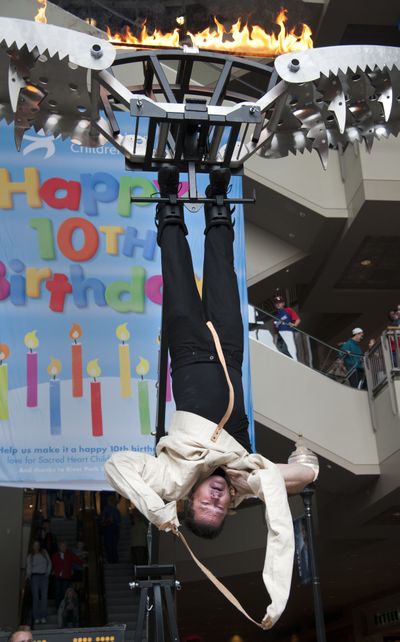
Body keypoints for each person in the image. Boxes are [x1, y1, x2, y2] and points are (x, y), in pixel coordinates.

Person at [105, 166, 317, 630]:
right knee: (222, 267)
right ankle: (219, 197)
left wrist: (157, 510)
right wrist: (304, 461)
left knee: (177, 267)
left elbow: (116, 466)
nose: (217, 500)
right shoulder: (244, 479)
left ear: (189, 500)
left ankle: (168, 195)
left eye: (206, 505)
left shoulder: (170, 478)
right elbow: (300, 476)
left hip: (186, 349)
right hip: (229, 350)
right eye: (220, 510)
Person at [26, 540, 51, 624]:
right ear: (33, 546)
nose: (36, 546)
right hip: (35, 577)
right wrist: (28, 576)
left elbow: (49, 563)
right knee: (36, 597)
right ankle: (36, 617)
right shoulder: (31, 556)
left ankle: (43, 616)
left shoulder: (44, 552)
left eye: (38, 545)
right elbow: (29, 567)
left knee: (44, 596)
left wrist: (48, 572)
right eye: (35, 545)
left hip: (44, 576)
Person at [51, 541, 82, 608]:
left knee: (64, 593)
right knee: (57, 592)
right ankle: (58, 607)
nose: (63, 547)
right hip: (57, 576)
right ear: (59, 547)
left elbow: (78, 560)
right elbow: (53, 564)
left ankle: (63, 607)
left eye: (64, 546)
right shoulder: (55, 555)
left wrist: (83, 562)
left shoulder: (70, 554)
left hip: (66, 576)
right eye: (62, 546)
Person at [272, 296, 301, 361]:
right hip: (282, 336)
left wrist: (294, 324)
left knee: (292, 350)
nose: (278, 304)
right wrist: (274, 341)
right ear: (274, 305)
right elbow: (275, 332)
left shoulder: (288, 310)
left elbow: (298, 319)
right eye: (276, 303)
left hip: (290, 333)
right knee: (284, 350)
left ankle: (295, 361)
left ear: (283, 303)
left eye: (280, 302)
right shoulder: (275, 317)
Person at [101, 495, 121, 563]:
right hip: (114, 528)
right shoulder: (116, 510)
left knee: (109, 545)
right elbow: (118, 521)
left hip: (109, 528)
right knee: (113, 545)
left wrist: (107, 521)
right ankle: (114, 559)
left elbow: (103, 520)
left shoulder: (107, 509)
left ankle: (111, 559)